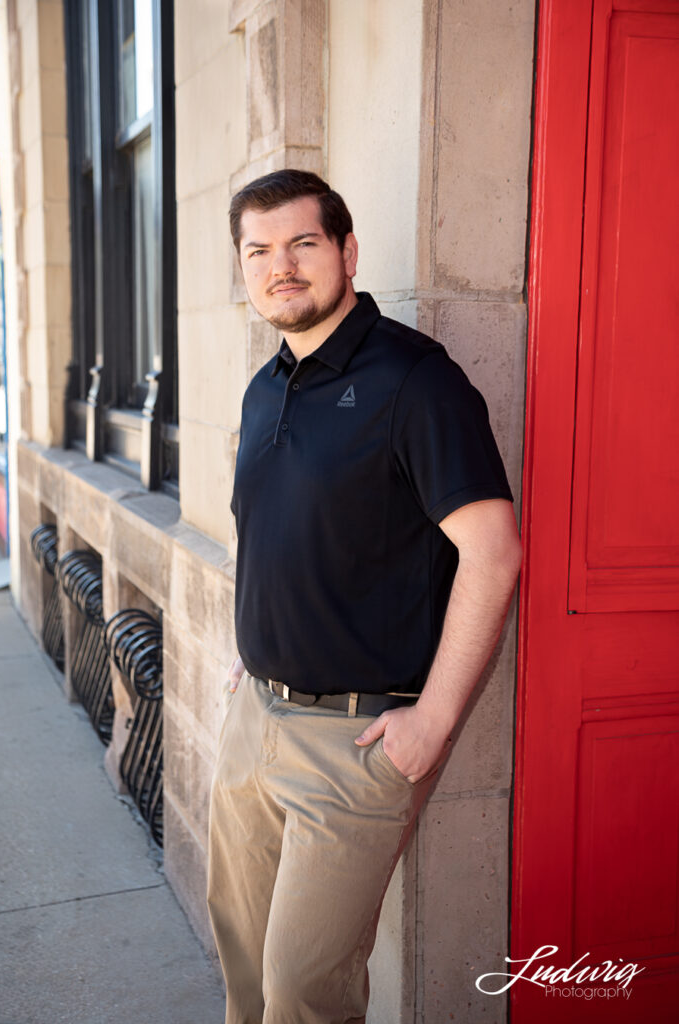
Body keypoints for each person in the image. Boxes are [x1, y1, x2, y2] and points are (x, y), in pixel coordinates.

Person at [207, 169, 522, 1024]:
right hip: (252, 722)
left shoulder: (414, 381)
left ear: (346, 251)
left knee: (305, 993)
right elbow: (279, 531)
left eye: (303, 244)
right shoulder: (267, 381)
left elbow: (492, 554)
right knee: (238, 955)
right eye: (259, 251)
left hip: (351, 744)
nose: (282, 267)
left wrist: (435, 721)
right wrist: (256, 643)